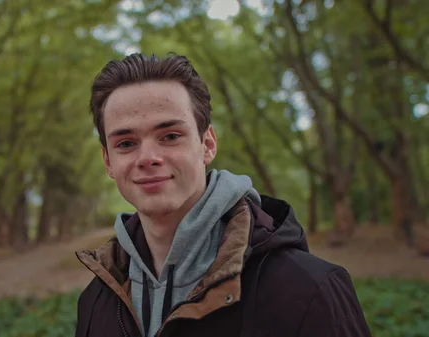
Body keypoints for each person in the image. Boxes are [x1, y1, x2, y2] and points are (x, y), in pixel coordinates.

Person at [74, 53, 372, 337]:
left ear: (208, 144)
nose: (148, 157)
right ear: (109, 162)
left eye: (171, 136)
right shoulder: (95, 300)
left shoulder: (308, 289)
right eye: (126, 143)